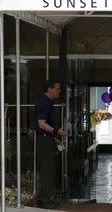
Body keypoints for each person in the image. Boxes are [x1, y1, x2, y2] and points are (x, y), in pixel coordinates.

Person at [34, 79, 68, 209]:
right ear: (50, 89)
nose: (59, 91)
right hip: (43, 139)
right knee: (46, 170)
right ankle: (44, 200)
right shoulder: (43, 102)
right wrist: (56, 131)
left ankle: (46, 198)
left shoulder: (48, 102)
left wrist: (54, 138)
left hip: (47, 139)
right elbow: (41, 124)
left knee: (48, 169)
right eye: (57, 89)